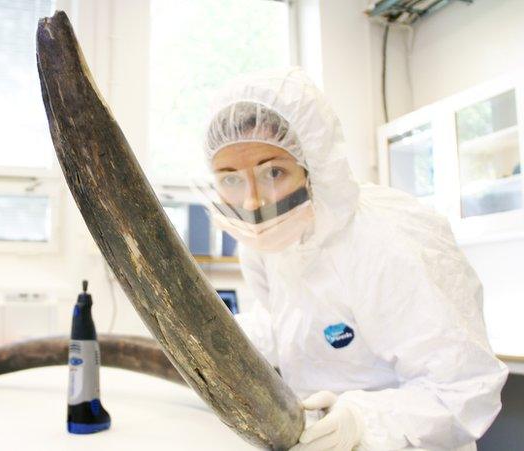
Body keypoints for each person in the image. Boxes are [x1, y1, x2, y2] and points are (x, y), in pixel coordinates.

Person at [200, 67, 508, 451]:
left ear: (314, 163)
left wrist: (365, 422)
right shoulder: (271, 246)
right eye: (230, 179)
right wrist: (224, 341)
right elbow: (287, 321)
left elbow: (464, 386)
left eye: (273, 171)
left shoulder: (388, 240)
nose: (251, 202)